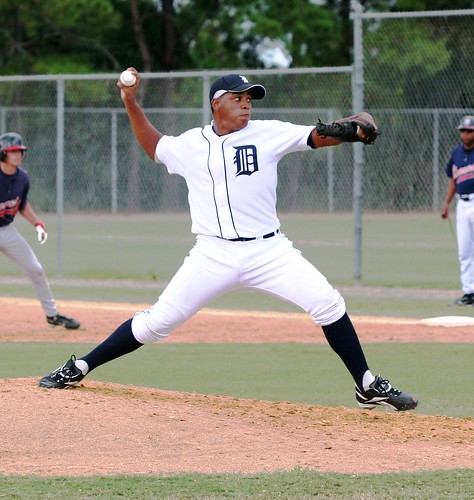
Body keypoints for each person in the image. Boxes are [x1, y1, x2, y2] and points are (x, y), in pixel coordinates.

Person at [39, 71, 418, 412]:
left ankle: (366, 385)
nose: (247, 104)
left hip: (269, 250)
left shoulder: (268, 133)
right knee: (157, 323)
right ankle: (80, 366)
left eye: (250, 98)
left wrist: (355, 126)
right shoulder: (191, 144)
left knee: (327, 302)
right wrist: (131, 102)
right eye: (238, 97)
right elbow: (154, 146)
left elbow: (318, 135)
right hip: (212, 253)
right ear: (216, 102)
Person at [0, 132, 81, 329]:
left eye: (20, 151)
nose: (18, 155)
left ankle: (52, 315)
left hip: (7, 230)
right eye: (12, 152)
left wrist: (37, 223)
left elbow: (22, 204)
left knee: (35, 269)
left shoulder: (23, 178)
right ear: (2, 154)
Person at [441, 115, 474, 308]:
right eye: (463, 130)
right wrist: (446, 203)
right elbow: (453, 179)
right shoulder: (457, 153)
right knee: (464, 251)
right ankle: (468, 292)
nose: (465, 133)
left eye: (469, 130)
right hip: (462, 204)